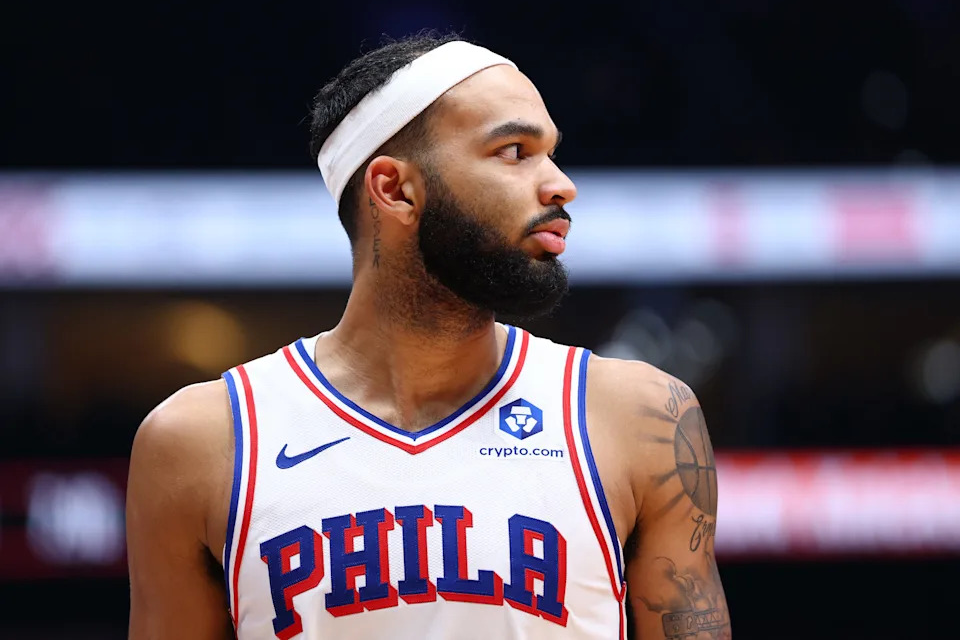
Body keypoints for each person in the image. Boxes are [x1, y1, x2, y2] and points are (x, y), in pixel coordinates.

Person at [126, 32, 731, 640]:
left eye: (551, 153)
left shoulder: (640, 416)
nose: (560, 185)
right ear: (394, 189)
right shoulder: (201, 442)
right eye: (515, 151)